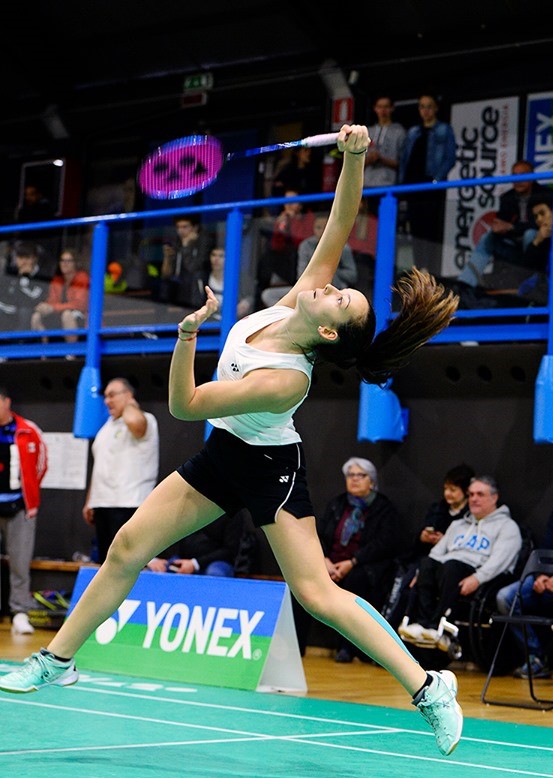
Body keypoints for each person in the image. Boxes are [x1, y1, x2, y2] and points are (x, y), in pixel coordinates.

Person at [0, 125, 463, 758]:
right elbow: (340, 220)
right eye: (339, 286)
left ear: (330, 333)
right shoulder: (297, 301)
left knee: (316, 595)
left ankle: (429, 688)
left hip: (270, 467)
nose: (331, 287)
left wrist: (187, 337)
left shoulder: (287, 378)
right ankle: (56, 661)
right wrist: (353, 157)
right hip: (224, 453)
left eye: (340, 300)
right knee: (128, 546)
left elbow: (185, 405)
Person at [293, 457, 404, 663]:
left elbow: (384, 544)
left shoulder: (384, 508)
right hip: (330, 563)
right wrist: (324, 560)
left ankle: (347, 649)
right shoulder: (337, 504)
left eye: (360, 475)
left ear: (372, 481)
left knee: (356, 582)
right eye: (350, 475)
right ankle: (295, 647)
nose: (354, 479)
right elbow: (318, 534)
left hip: (363, 566)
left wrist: (352, 562)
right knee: (302, 585)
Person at [399, 475, 522, 647]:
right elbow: (436, 553)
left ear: (494, 498)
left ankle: (438, 626)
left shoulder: (507, 527)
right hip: (447, 571)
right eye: (471, 494)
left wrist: (477, 578)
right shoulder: (458, 525)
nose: (474, 499)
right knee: (426, 564)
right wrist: (421, 573)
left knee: (451, 566)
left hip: (475, 573)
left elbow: (499, 562)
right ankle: (422, 624)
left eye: (480, 494)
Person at [384, 463, 475, 630]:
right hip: (427, 557)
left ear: (466, 491)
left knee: (423, 577)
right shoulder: (437, 509)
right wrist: (423, 536)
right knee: (407, 582)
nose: (448, 494)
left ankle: (428, 625)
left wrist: (445, 540)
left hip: (451, 562)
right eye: (446, 489)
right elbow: (417, 542)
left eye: (453, 490)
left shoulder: (471, 516)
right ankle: (396, 627)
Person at [82, 377, 159, 564]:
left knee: (127, 564)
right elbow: (100, 465)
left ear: (128, 395)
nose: (107, 401)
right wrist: (90, 500)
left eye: (112, 395)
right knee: (106, 564)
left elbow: (137, 426)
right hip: (103, 504)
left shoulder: (145, 419)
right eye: (105, 396)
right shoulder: (106, 427)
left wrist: (130, 405)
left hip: (128, 504)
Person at [0, 386, 48, 635]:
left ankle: (19, 612)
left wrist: (28, 492)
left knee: (20, 563)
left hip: (20, 508)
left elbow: (41, 464)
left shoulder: (28, 429)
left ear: (6, 402)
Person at [456, 160, 546, 290]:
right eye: (514, 176)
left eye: (522, 175)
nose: (518, 180)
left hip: (539, 249)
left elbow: (541, 225)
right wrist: (498, 228)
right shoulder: (507, 197)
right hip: (514, 247)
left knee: (530, 234)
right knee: (488, 237)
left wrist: (512, 227)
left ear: (532, 177)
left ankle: (533, 285)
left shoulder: (545, 195)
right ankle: (465, 284)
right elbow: (503, 223)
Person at [399, 93, 457, 276]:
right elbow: (405, 159)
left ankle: (431, 271)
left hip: (431, 186)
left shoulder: (444, 130)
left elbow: (450, 158)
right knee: (415, 229)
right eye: (422, 106)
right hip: (412, 186)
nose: (425, 110)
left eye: (429, 106)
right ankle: (419, 269)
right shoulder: (413, 132)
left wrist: (436, 179)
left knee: (431, 228)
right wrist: (402, 184)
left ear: (436, 108)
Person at [494, 509, 553, 680]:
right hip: (547, 576)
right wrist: (541, 575)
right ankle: (536, 656)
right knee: (506, 598)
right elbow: (546, 547)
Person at [261, 212, 358, 307]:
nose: (322, 231)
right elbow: (301, 275)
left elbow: (352, 276)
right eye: (318, 227)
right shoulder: (306, 245)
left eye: (325, 227)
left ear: (330, 228)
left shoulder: (343, 246)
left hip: (334, 291)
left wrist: (330, 270)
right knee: (268, 295)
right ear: (313, 229)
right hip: (308, 290)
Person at [255, 189, 315, 309]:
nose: (289, 205)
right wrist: (281, 227)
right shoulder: (283, 218)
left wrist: (294, 220)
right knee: (268, 256)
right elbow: (276, 246)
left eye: (293, 201)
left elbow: (302, 243)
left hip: (304, 263)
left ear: (301, 204)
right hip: (286, 265)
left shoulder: (309, 217)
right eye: (286, 201)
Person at [146, 511, 244, 577]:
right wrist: (154, 559)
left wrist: (195, 563)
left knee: (215, 573)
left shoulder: (231, 512)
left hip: (217, 562)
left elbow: (230, 551)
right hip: (183, 559)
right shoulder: (188, 508)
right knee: (154, 572)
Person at [30, 248, 89, 346]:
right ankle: (42, 351)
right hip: (58, 315)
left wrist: (53, 308)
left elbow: (80, 304)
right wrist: (45, 307)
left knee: (67, 314)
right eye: (62, 261)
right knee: (36, 316)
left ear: (76, 263)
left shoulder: (82, 277)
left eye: (68, 261)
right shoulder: (57, 280)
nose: (64, 264)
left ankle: (71, 352)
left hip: (83, 317)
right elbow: (52, 301)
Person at [155, 215, 212, 309]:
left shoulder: (203, 242)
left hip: (194, 290)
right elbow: (166, 274)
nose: (180, 231)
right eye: (178, 227)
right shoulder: (176, 242)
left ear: (195, 228)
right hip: (176, 290)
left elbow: (192, 268)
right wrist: (167, 258)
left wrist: (186, 247)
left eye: (185, 227)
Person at [364, 95, 406, 216]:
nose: (383, 110)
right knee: (368, 223)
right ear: (375, 109)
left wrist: (382, 160)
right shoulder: (367, 132)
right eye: (380, 107)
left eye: (386, 107)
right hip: (366, 186)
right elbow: (357, 162)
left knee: (386, 220)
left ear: (392, 108)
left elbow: (402, 163)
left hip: (388, 186)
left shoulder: (399, 132)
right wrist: (370, 159)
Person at [0, 242, 49, 331]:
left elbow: (33, 299)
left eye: (27, 258)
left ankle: (21, 339)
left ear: (35, 259)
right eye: (20, 258)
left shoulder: (42, 276)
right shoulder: (10, 273)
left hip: (27, 312)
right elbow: (4, 294)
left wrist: (25, 277)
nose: (23, 262)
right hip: (8, 311)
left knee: (24, 311)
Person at [204, 246, 253, 321]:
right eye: (213, 255)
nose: (216, 259)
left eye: (221, 256)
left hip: (233, 321)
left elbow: (251, 296)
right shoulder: (202, 278)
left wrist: (247, 302)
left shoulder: (240, 279)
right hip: (208, 321)